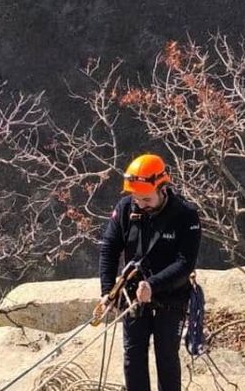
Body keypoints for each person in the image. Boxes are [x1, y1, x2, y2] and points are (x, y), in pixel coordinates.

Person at [98, 153, 201, 391]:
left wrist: (153, 285)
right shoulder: (126, 209)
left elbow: (185, 263)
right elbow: (109, 249)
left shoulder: (185, 215)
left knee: (166, 358)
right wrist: (107, 290)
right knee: (133, 358)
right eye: (136, 198)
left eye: (146, 198)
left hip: (170, 297)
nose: (140, 204)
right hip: (133, 296)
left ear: (162, 189)